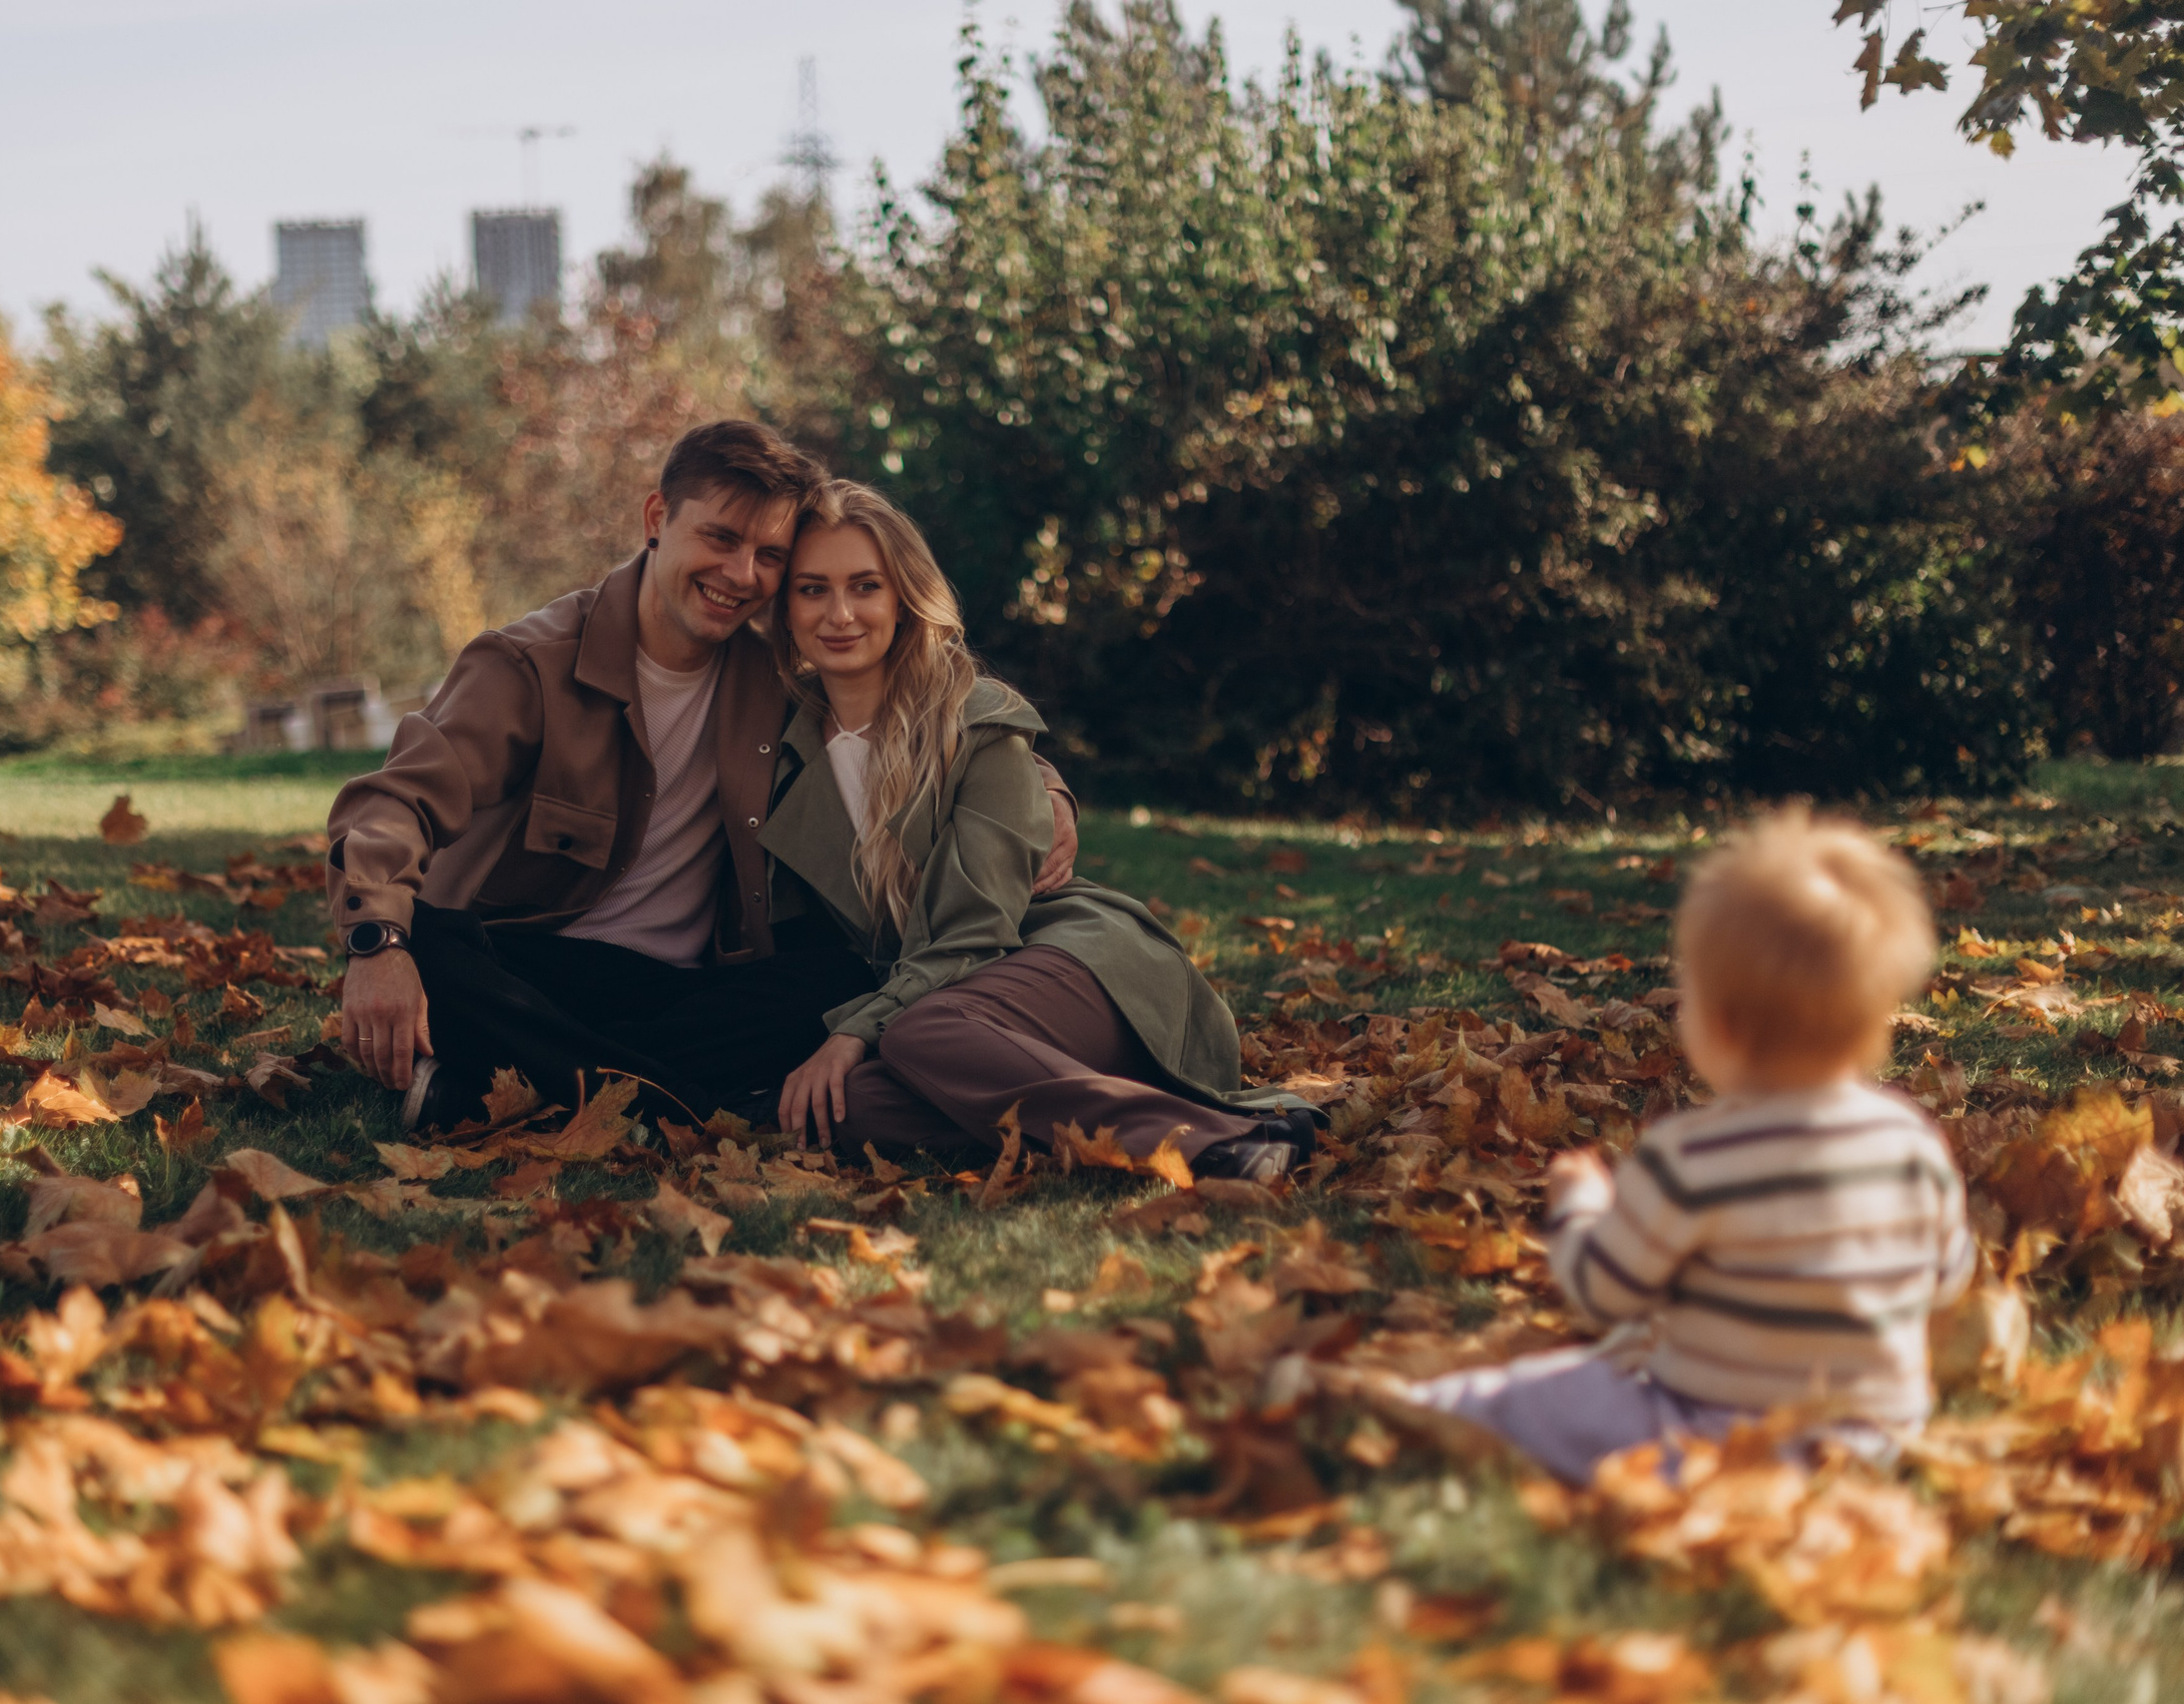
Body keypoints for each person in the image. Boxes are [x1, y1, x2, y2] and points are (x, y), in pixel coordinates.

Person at [325, 420, 1077, 1132]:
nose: (741, 574)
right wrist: (377, 944)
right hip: (533, 967)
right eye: (719, 537)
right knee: (432, 944)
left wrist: (1040, 781)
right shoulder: (532, 664)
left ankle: (513, 1081)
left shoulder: (776, 672)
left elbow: (915, 704)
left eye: (769, 554)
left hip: (697, 987)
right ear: (658, 517)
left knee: (841, 977)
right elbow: (393, 799)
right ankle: (680, 1107)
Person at [1392, 807, 1977, 1486]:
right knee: (1637, 1354)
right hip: (1878, 1437)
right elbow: (1947, 1278)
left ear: (1720, 1024)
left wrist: (1581, 1210)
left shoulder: (1690, 1158)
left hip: (1715, 1437)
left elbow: (1605, 1294)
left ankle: (1426, 1410)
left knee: (1550, 1392)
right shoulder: (1910, 1140)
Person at [760, 480, 1321, 1180]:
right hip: (956, 1010)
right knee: (856, 1107)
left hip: (1068, 963)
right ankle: (1147, 1112)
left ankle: (1202, 1139)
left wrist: (852, 1031)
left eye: (865, 585)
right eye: (813, 589)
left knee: (917, 1034)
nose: (839, 613)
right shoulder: (780, 746)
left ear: (903, 596)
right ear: (784, 606)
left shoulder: (978, 719)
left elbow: (973, 931)